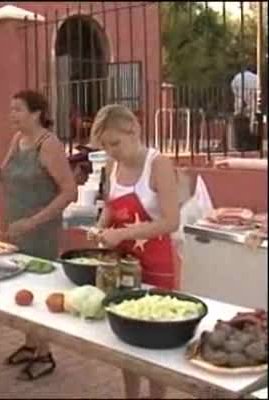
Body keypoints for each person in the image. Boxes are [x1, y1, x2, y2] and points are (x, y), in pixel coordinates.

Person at [0, 90, 77, 380]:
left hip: (40, 231)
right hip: (15, 227)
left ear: (36, 113)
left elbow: (69, 191)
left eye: (18, 110)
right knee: (20, 290)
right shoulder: (17, 141)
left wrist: (33, 221)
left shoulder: (49, 145)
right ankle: (30, 344)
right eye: (11, 110)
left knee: (38, 290)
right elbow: (1, 174)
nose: (12, 115)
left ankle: (44, 353)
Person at [89, 104, 181, 399]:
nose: (111, 151)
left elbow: (171, 220)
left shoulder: (159, 164)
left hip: (157, 265)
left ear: (135, 131)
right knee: (126, 339)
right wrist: (100, 227)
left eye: (115, 143)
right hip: (123, 265)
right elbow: (111, 205)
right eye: (105, 145)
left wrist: (123, 233)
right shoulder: (112, 166)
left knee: (156, 340)